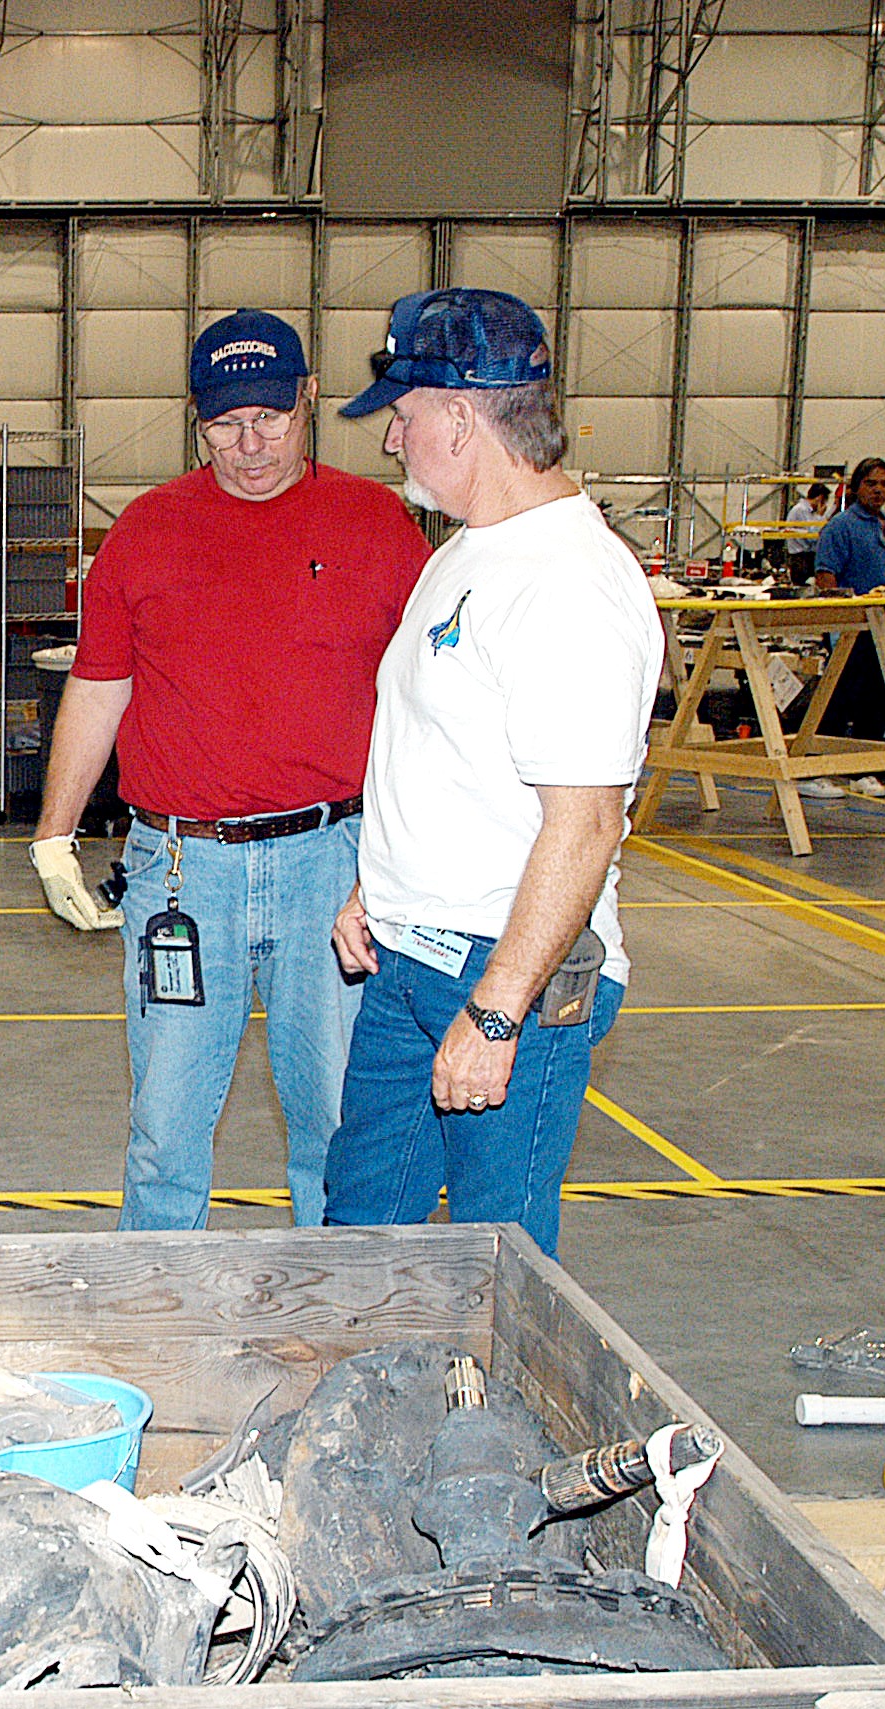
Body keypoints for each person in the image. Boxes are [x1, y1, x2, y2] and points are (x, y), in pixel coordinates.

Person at [28, 307, 429, 1230]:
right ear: (196, 419)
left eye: (270, 420)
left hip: (335, 866)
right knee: (165, 1129)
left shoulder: (378, 526)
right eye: (223, 425)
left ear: (309, 400)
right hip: (181, 872)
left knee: (335, 1123)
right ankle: (156, 1321)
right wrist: (54, 834)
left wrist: (404, 858)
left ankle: (337, 1317)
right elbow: (98, 687)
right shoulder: (147, 531)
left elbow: (427, 703)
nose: (248, 447)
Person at [320, 288, 661, 1256]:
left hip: (503, 970)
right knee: (358, 1242)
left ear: (462, 421)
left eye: (404, 417)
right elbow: (445, 752)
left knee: (493, 1270)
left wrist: (500, 1014)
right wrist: (373, 887)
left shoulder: (570, 586)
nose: (394, 442)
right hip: (407, 960)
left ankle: (494, 1414)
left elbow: (585, 826)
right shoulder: (470, 551)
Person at [801, 455, 885, 761]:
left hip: (882, 624)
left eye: (884, 484)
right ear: (857, 487)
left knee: (877, 697)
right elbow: (826, 576)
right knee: (841, 695)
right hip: (850, 627)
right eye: (871, 483)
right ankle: (819, 764)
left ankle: (864, 766)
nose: (878, 490)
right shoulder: (841, 527)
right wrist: (837, 622)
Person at [785, 481, 831, 585]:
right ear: (820, 498)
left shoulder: (810, 512)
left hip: (808, 555)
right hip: (801, 557)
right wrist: (820, 516)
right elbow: (813, 536)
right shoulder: (801, 510)